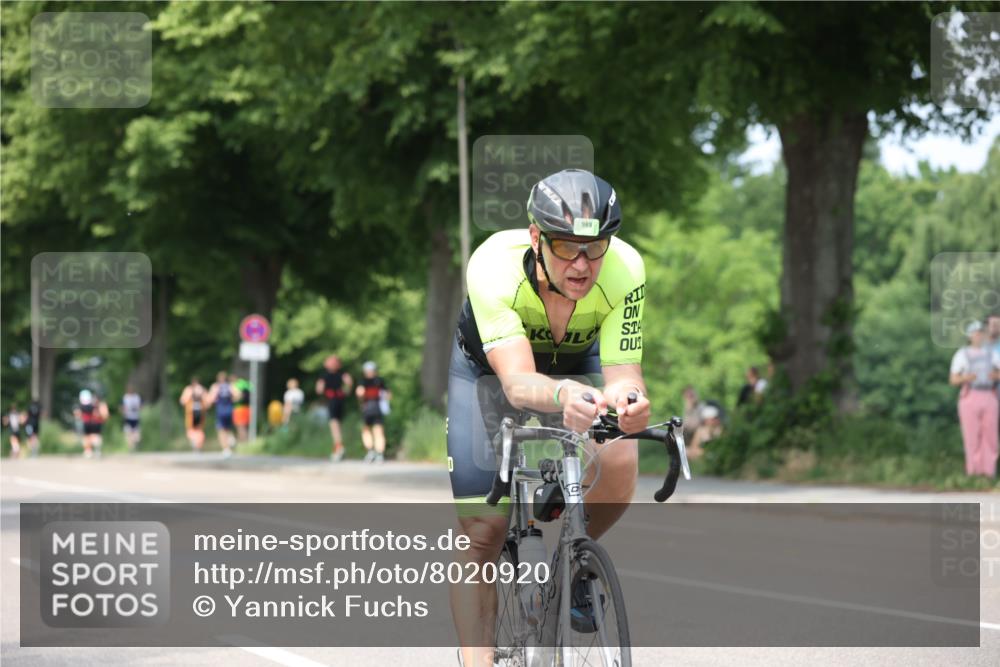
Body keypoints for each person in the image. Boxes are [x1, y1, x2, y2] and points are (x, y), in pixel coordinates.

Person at [447, 169, 650, 666]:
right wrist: (564, 393)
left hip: (575, 363)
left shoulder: (626, 269)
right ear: (537, 238)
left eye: (595, 247)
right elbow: (517, 382)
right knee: (482, 535)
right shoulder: (493, 266)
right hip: (489, 372)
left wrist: (630, 403)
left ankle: (575, 559)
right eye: (565, 247)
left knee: (621, 449)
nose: (582, 264)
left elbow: (624, 374)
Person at [949, 320, 1000, 477]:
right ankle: (973, 473)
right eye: (975, 333)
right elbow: (953, 380)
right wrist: (967, 377)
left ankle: (988, 473)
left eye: (981, 333)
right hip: (970, 394)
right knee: (972, 435)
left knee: (990, 436)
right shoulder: (962, 354)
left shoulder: (992, 354)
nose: (978, 336)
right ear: (970, 336)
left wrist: (995, 375)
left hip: (989, 394)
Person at [316, 355, 353, 462]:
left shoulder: (324, 376)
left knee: (334, 423)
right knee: (338, 423)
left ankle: (338, 447)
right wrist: (346, 391)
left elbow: (319, 390)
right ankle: (339, 446)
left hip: (332, 401)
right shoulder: (343, 374)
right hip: (341, 400)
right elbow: (349, 385)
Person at [356, 361, 391, 463]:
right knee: (376, 430)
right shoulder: (380, 381)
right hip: (376, 408)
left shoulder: (363, 382)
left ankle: (373, 452)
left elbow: (360, 393)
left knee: (371, 430)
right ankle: (377, 453)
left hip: (369, 408)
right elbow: (388, 394)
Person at [208, 371, 239, 457]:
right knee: (228, 428)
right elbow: (238, 395)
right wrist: (232, 399)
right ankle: (231, 439)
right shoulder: (230, 386)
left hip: (220, 410)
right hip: (229, 409)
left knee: (221, 430)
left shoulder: (216, 387)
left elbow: (210, 398)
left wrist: (212, 402)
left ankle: (226, 449)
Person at [74, 390, 109, 459]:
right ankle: (93, 451)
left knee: (89, 437)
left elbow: (77, 414)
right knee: (93, 437)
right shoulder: (97, 405)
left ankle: (89, 451)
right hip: (93, 423)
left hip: (89, 423)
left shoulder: (84, 406)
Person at [179, 377, 208, 452]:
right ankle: (198, 444)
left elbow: (182, 401)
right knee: (199, 429)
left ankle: (195, 443)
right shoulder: (202, 390)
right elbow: (207, 402)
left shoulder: (188, 389)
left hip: (191, 412)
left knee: (191, 428)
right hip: (200, 411)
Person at [121, 386, 142, 452]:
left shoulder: (137, 397)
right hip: (128, 417)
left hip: (136, 417)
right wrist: (124, 411)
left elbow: (140, 406)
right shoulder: (125, 397)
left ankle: (134, 444)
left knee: (136, 434)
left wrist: (137, 408)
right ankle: (131, 447)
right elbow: (122, 407)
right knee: (128, 433)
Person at [231, 374, 252, 441]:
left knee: (240, 425)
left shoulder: (237, 385)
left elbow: (239, 396)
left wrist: (232, 400)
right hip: (247, 408)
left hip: (239, 408)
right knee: (245, 426)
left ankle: (243, 441)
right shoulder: (245, 383)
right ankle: (246, 440)